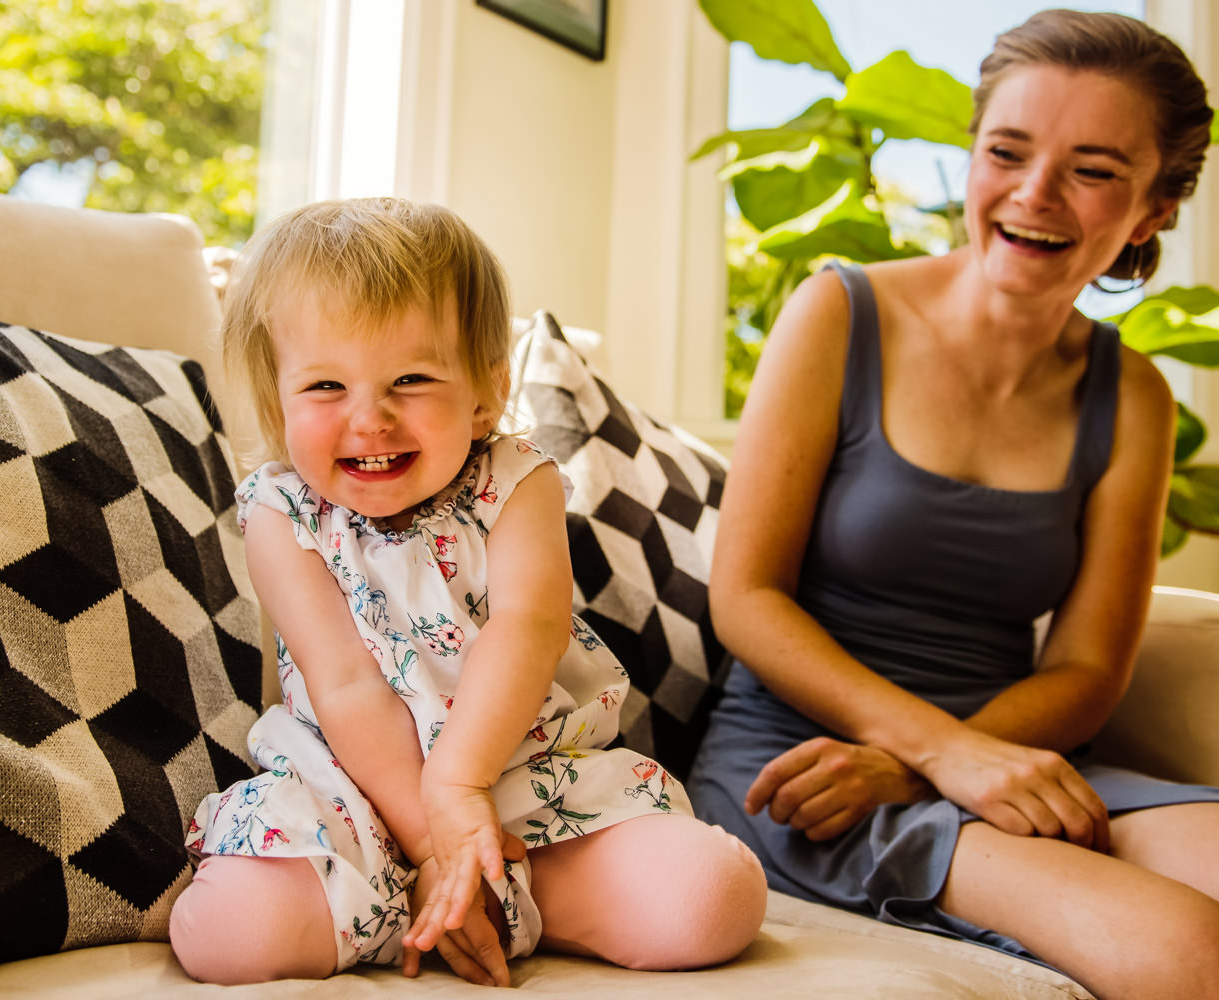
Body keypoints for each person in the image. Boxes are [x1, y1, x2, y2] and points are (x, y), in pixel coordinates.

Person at [688, 10, 1219, 1000]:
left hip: (1007, 751)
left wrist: (940, 761)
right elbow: (747, 596)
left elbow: (1090, 665)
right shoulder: (837, 313)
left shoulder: (1134, 396)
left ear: (1150, 211)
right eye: (1006, 151)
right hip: (805, 770)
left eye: (1094, 170)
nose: (1034, 193)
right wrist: (938, 753)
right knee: (1191, 952)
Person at [168, 198, 767, 987]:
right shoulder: (280, 512)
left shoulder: (518, 480)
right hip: (356, 790)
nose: (370, 418)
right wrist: (431, 843)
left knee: (713, 897)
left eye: (410, 378)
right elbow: (343, 680)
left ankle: (508, 891)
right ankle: (429, 901)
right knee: (225, 935)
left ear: (486, 389)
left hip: (522, 773)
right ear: (277, 400)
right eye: (324, 385)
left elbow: (531, 627)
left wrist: (462, 788)